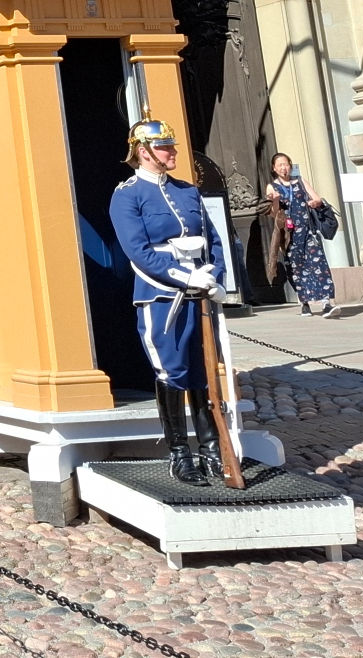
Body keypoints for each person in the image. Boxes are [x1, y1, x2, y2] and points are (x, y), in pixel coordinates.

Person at [110, 118, 232, 486]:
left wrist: (216, 278)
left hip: (201, 295)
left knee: (203, 371)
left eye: (171, 145)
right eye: (165, 147)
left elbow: (214, 241)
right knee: (172, 371)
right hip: (162, 295)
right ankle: (180, 453)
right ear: (143, 152)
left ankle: (211, 448)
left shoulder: (187, 192)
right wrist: (185, 277)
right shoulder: (128, 195)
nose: (173, 151)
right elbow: (139, 252)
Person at [264, 152, 338, 317]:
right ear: (274, 168)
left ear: (290, 165)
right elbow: (273, 213)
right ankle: (304, 303)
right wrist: (275, 200)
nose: (283, 168)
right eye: (280, 165)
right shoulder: (272, 187)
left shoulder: (300, 181)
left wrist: (315, 202)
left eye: (286, 164)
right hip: (290, 235)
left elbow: (317, 198)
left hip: (308, 230)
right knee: (296, 268)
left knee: (319, 264)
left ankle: (326, 302)